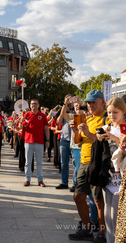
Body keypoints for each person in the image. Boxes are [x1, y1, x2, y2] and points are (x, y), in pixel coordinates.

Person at [68, 90, 108, 242]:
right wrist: (74, 131)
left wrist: (88, 133)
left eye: (93, 102)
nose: (90, 105)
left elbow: (105, 141)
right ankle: (87, 229)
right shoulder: (88, 119)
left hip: (98, 163)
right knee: (78, 197)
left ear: (102, 102)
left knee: (98, 201)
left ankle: (102, 234)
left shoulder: (106, 118)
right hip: (84, 162)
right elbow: (78, 141)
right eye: (88, 103)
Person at [96, 98, 126, 243]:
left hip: (122, 178)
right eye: (109, 112)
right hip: (107, 176)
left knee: (118, 216)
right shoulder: (104, 127)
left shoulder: (124, 129)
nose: (112, 115)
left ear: (123, 111)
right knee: (107, 216)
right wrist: (98, 139)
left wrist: (115, 139)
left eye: (115, 112)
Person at [20, 98, 49, 187]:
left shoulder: (43, 116)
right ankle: (27, 179)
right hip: (28, 141)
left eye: (35, 104)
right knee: (28, 162)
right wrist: (21, 122)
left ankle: (40, 180)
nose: (33, 105)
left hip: (40, 141)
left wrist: (47, 140)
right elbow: (21, 127)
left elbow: (46, 128)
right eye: (32, 104)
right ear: (30, 105)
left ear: (38, 105)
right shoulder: (26, 115)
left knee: (39, 162)